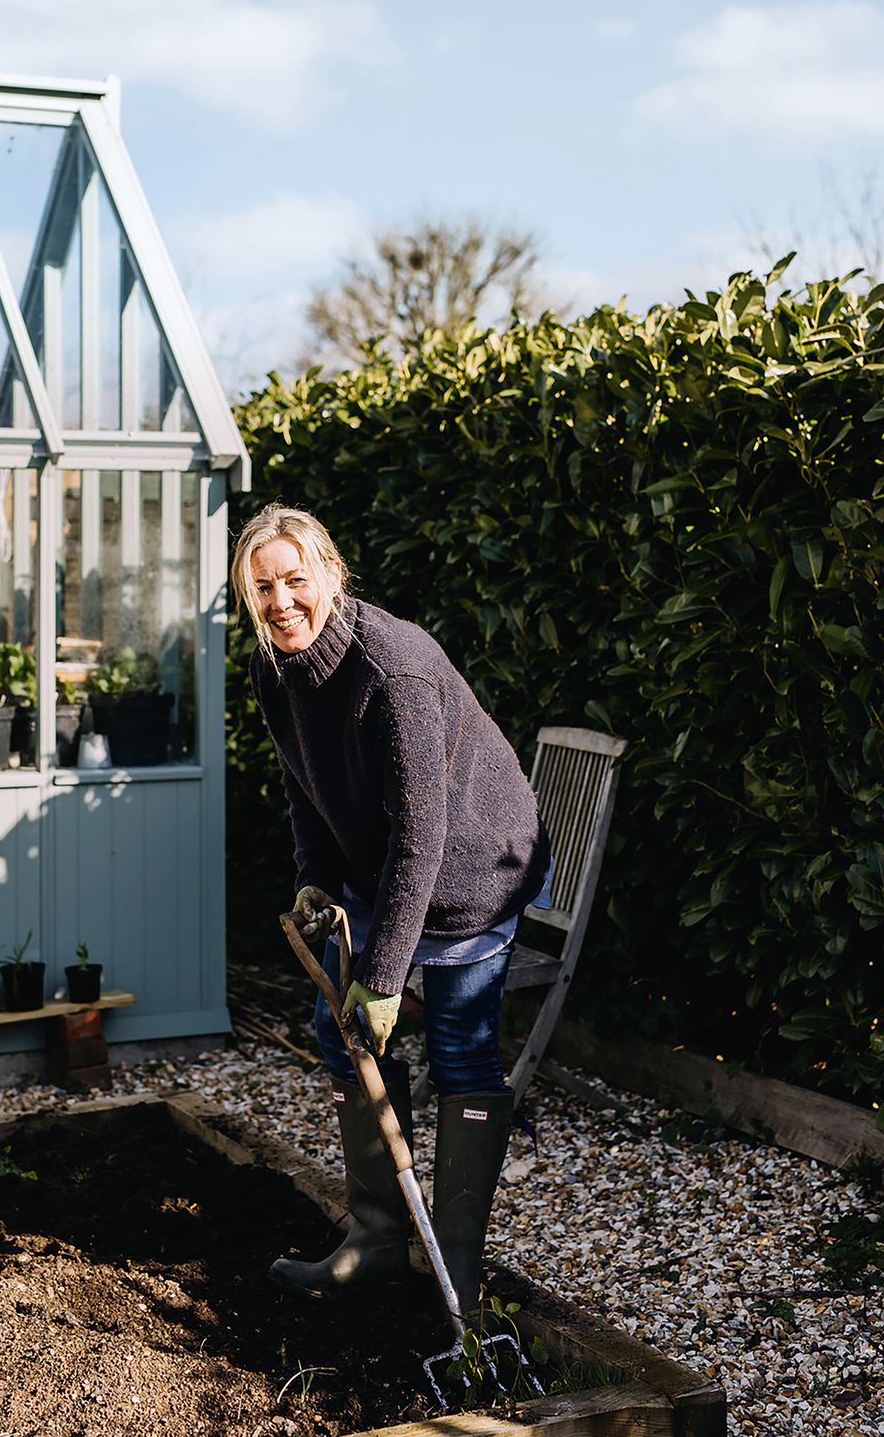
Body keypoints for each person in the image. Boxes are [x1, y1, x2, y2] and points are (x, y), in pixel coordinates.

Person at [230, 503, 551, 1317]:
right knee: (338, 1036)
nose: (282, 602)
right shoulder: (275, 666)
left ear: (332, 576)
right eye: (263, 587)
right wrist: (314, 881)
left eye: (297, 580)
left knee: (459, 1051)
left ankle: (456, 1283)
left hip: (475, 868)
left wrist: (383, 977)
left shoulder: (393, 669)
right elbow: (305, 789)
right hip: (387, 875)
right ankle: (376, 1241)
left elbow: (424, 837)